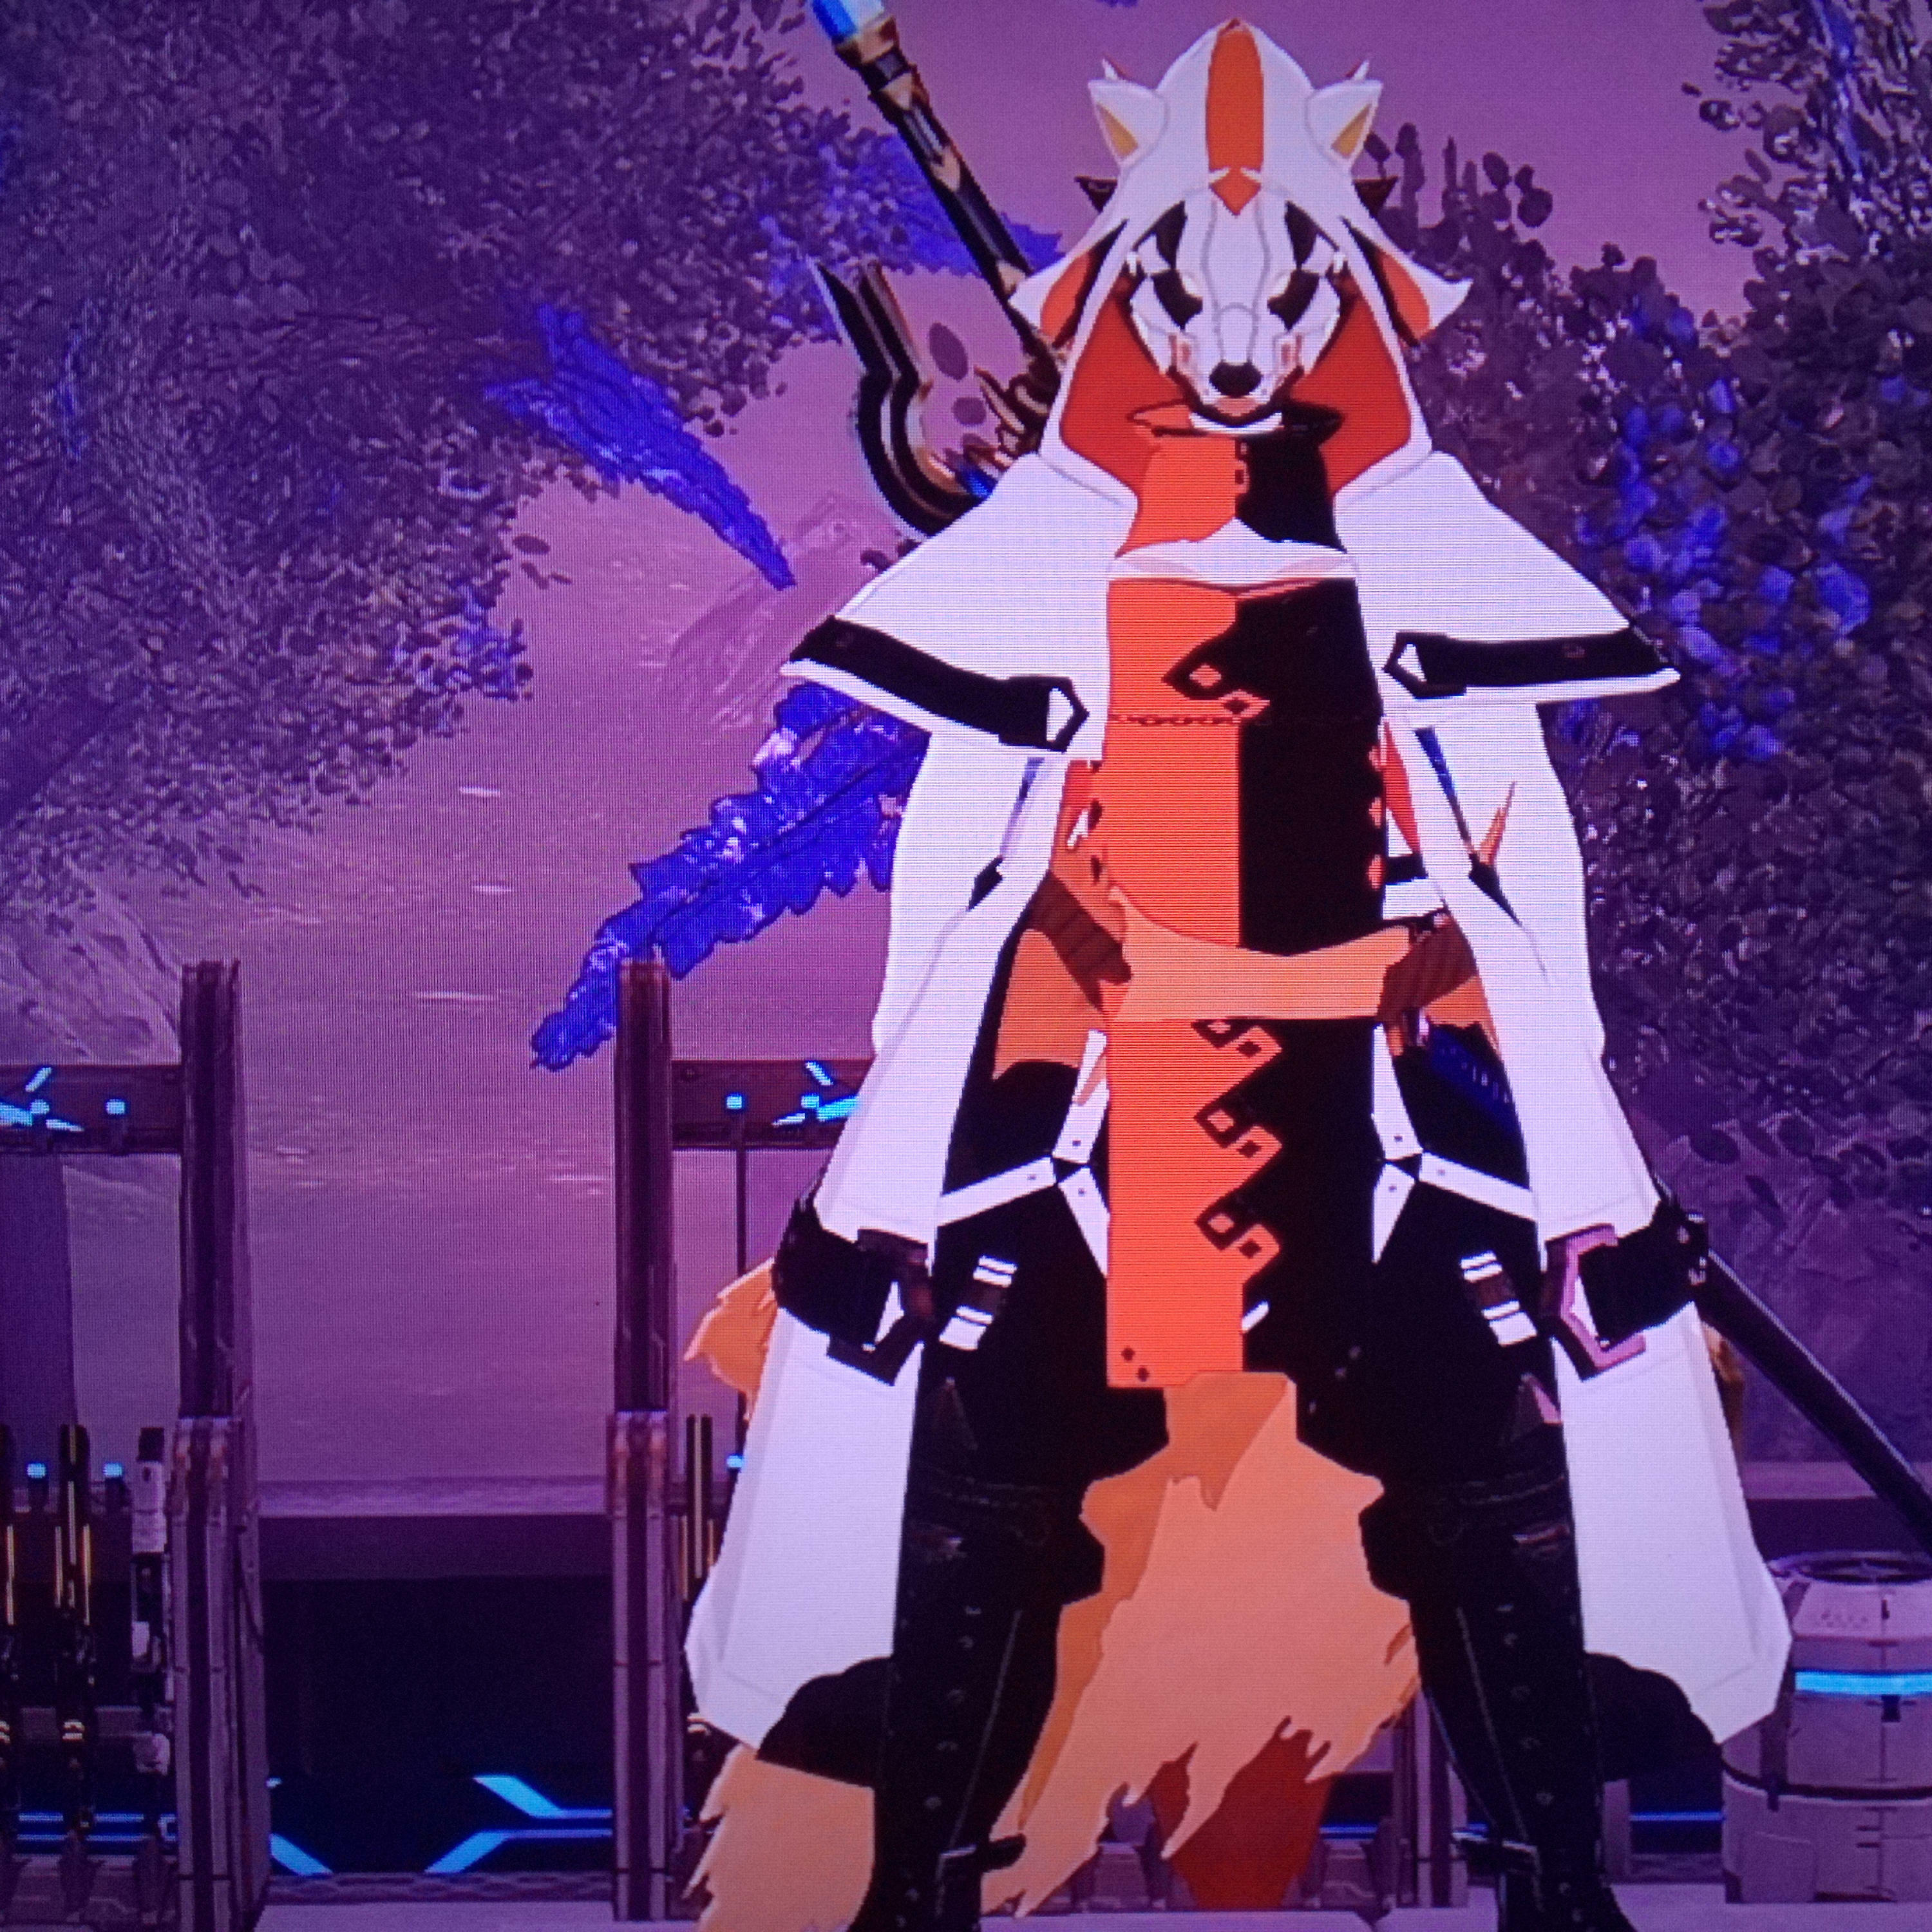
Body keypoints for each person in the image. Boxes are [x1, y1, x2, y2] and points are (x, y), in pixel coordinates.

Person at [687, 23, 1788, 1931]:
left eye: (1280, 288)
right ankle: (913, 1889)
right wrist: (920, 1154)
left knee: (1486, 1490)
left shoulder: (1422, 548)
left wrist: (1552, 1127)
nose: (1233, 344)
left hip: (1375, 1106)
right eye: (1189, 292)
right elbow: (962, 879)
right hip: (1101, 1104)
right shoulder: (1054, 548)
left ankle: (1556, 1887)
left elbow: (1515, 867)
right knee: (984, 1491)